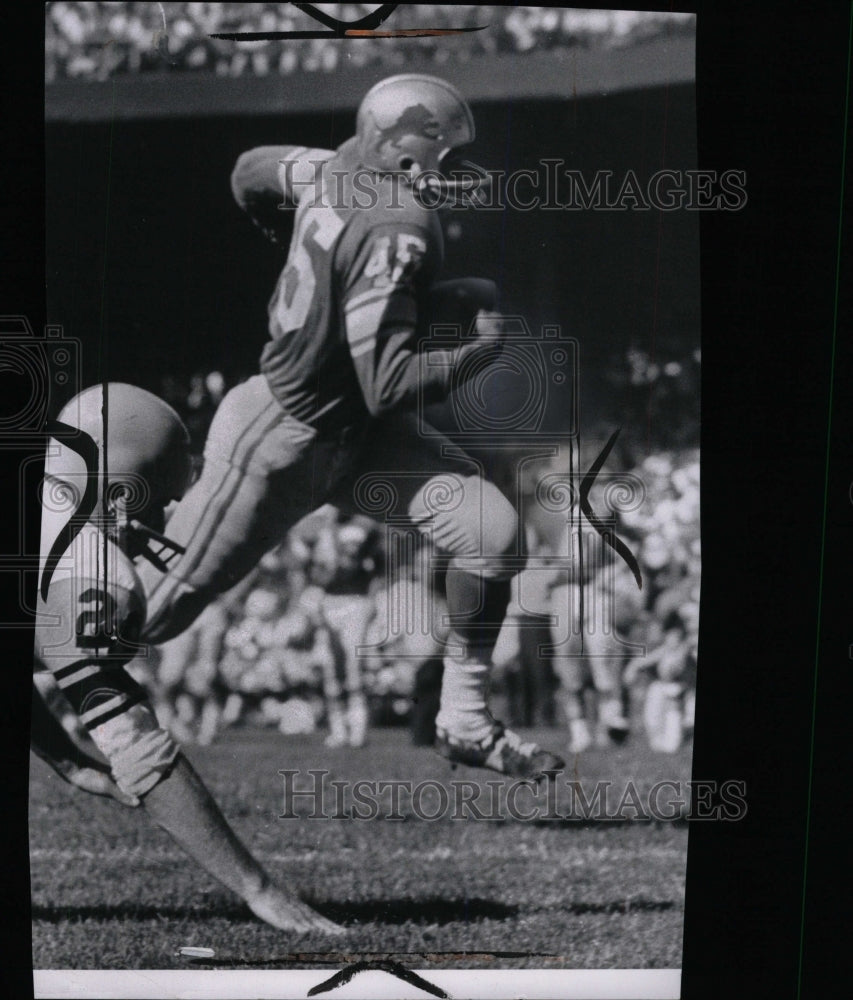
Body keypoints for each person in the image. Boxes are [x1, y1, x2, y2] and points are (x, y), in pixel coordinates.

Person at [138, 74, 564, 780]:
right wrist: (476, 352)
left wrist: (289, 236)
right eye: (444, 159)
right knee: (152, 615)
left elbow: (249, 171)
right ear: (401, 158)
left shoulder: (336, 164)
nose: (455, 176)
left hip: (353, 433)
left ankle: (462, 718)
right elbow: (388, 384)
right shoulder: (401, 224)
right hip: (285, 434)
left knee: (491, 533)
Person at [32, 382, 342, 936]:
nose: (167, 513)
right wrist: (258, 889)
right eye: (159, 498)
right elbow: (139, 750)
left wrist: (69, 763)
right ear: (122, 496)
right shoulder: (91, 571)